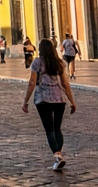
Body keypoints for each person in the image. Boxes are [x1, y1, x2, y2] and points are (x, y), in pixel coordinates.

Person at [23, 38, 77, 172]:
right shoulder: (60, 63)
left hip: (43, 98)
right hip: (59, 98)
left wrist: (25, 101)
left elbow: (32, 83)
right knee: (57, 128)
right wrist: (72, 101)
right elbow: (65, 83)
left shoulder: (37, 62)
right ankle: (58, 155)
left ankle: (58, 156)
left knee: (49, 129)